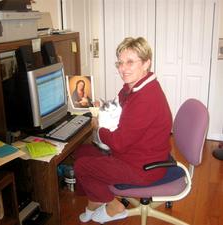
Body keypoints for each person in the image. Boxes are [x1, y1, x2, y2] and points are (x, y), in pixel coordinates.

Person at [73, 37, 172, 223]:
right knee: (81, 152)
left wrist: (98, 128)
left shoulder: (146, 98)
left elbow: (118, 143)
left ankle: (114, 206)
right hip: (135, 153)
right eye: (120, 62)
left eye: (130, 62)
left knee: (81, 166)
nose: (122, 68)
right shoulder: (133, 87)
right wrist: (100, 107)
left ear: (146, 63)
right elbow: (119, 105)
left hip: (142, 168)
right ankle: (95, 199)